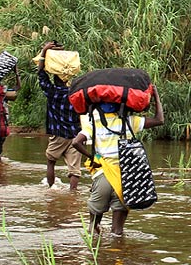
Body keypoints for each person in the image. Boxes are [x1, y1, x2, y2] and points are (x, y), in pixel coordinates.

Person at [72, 86, 164, 236]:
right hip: (125, 179)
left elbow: (76, 142)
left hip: (102, 176)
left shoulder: (93, 123)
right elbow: (159, 120)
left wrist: (92, 158)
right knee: (117, 233)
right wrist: (156, 97)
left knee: (92, 230)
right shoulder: (130, 122)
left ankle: (94, 256)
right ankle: (117, 256)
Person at [37, 42, 82, 191]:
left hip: (58, 134)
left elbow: (41, 75)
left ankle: (51, 190)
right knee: (74, 169)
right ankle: (73, 194)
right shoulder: (76, 94)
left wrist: (44, 51)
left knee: (51, 161)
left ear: (55, 79)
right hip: (76, 135)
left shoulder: (52, 92)